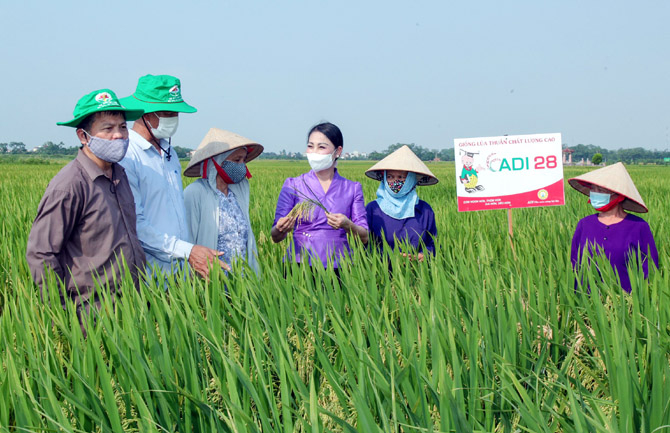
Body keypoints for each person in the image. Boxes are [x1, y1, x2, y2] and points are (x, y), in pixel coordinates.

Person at [26, 89, 147, 316]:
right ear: (83, 136)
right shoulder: (69, 185)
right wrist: (64, 315)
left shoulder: (120, 175)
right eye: (107, 128)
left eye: (122, 127)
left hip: (132, 307)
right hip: (92, 315)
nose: (118, 136)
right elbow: (41, 253)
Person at [119, 74, 221, 278]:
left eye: (176, 113)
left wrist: (189, 252)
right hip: (149, 273)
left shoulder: (170, 153)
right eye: (167, 113)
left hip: (181, 269)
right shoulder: (127, 156)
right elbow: (134, 224)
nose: (173, 118)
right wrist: (187, 250)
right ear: (145, 114)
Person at [271, 122, 368, 269]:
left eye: (321, 147)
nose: (314, 152)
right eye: (310, 146)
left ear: (338, 151)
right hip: (299, 265)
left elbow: (364, 236)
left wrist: (347, 224)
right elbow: (275, 237)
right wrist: (280, 228)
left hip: (340, 266)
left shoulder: (352, 188)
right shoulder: (293, 185)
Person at [183, 128, 264, 275]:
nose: (242, 165)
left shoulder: (239, 191)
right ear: (217, 162)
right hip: (211, 280)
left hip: (242, 279)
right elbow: (188, 240)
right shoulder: (195, 192)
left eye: (244, 160)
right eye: (236, 160)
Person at [569, 162, 659, 293]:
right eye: (593, 189)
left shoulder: (638, 226)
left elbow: (649, 267)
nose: (595, 193)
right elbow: (575, 263)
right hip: (587, 300)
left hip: (627, 301)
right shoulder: (585, 224)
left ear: (619, 195)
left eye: (601, 190)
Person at [364, 145, 438, 262]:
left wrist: (423, 255)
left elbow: (432, 243)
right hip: (381, 272)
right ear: (384, 178)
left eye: (401, 177)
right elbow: (364, 243)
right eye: (390, 177)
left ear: (412, 180)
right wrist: (390, 257)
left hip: (418, 273)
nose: (395, 181)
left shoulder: (424, 210)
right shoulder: (373, 209)